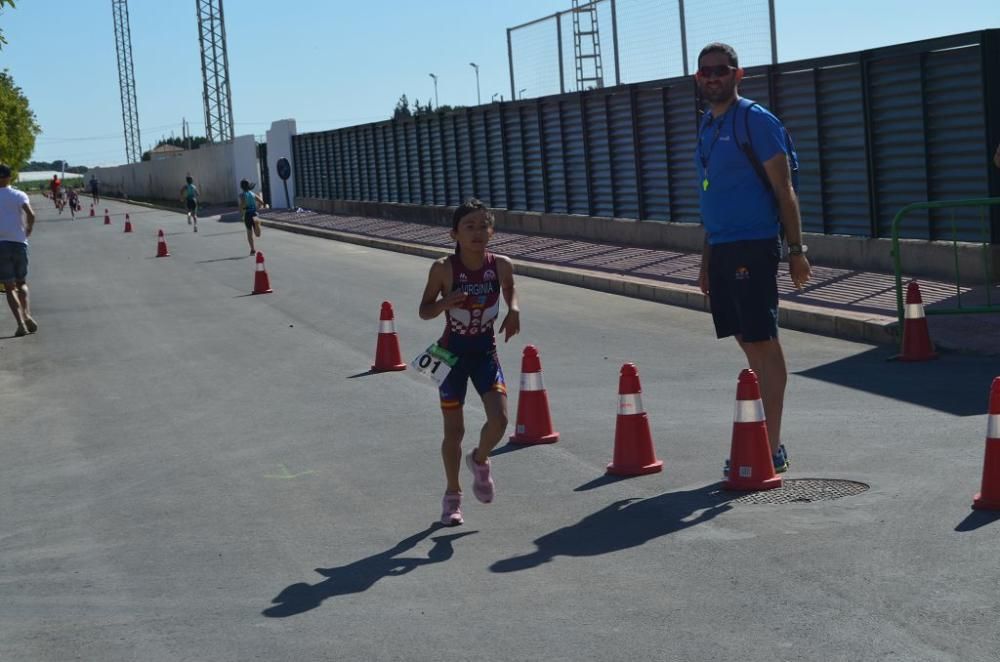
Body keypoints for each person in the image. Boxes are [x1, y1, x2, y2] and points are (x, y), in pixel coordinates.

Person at [693, 43, 811, 474]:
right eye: (705, 72)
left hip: (754, 243)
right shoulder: (707, 125)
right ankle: (760, 435)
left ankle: (771, 445)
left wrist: (796, 250)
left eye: (720, 70)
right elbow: (712, 195)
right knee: (747, 340)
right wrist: (706, 259)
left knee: (763, 341)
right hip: (722, 246)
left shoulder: (755, 120)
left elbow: (785, 191)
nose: (712, 78)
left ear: (737, 74)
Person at [418, 199, 520, 526]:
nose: (477, 233)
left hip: (485, 353)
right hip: (450, 356)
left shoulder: (501, 264)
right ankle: (452, 496)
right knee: (455, 430)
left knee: (501, 421)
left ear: (492, 231)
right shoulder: (443, 269)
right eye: (469, 227)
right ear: (454, 234)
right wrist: (444, 302)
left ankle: (479, 459)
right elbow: (424, 310)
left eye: (482, 226)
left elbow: (509, 287)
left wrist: (514, 309)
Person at [0, 164, 38, 337]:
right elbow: (31, 214)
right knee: (21, 282)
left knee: (9, 287)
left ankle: (20, 323)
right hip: (19, 242)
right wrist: (28, 229)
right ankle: (27, 314)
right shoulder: (18, 194)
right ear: (10, 177)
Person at [238, 179, 265, 255]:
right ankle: (256, 224)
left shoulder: (242, 195)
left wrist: (241, 212)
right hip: (254, 213)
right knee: (258, 234)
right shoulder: (253, 194)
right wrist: (258, 207)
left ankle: (252, 249)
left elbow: (242, 204)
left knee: (249, 233)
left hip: (247, 214)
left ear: (241, 187)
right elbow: (262, 202)